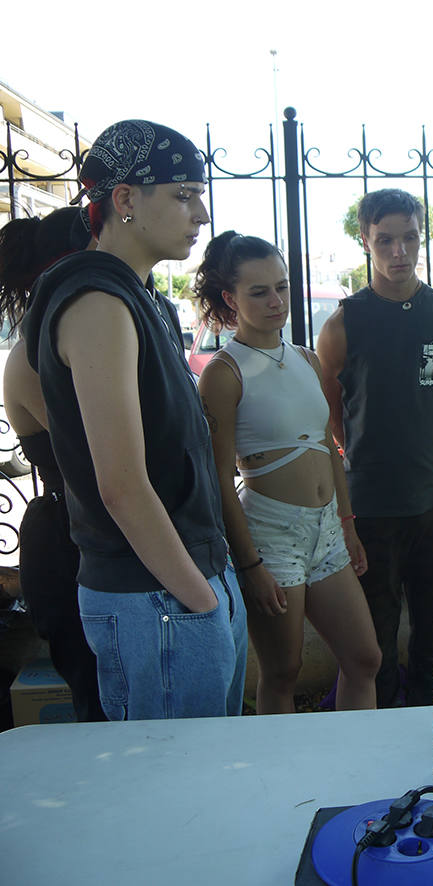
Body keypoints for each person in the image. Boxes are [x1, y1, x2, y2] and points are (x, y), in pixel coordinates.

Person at [22, 119, 248, 720]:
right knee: (177, 799)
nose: (201, 214)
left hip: (184, 584)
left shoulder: (141, 297)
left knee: (208, 781)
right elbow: (121, 485)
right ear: (124, 199)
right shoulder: (97, 301)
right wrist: (201, 601)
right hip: (156, 597)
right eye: (182, 195)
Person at [194, 232, 380, 714]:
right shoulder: (223, 372)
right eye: (259, 292)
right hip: (271, 535)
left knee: (364, 658)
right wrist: (250, 565)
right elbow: (218, 479)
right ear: (230, 299)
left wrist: (346, 523)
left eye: (282, 286)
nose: (276, 301)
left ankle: (358, 772)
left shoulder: (304, 357)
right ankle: (286, 786)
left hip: (326, 531)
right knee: (282, 671)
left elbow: (326, 445)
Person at [317, 188, 433, 708]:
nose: (398, 252)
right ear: (365, 241)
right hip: (372, 507)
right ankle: (379, 747)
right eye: (385, 240)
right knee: (375, 641)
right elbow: (332, 416)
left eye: (409, 237)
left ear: (421, 236)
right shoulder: (342, 323)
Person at [0, 206, 104, 721]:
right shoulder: (30, 357)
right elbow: (105, 461)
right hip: (74, 547)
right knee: (102, 705)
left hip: (96, 539)